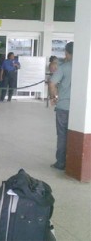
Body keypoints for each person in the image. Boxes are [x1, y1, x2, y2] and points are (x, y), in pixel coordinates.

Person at [48, 42, 74, 171]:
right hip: (81, 109)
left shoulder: (64, 67)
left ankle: (61, 163)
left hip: (64, 106)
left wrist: (54, 97)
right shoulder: (87, 66)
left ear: (67, 53)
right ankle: (74, 162)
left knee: (62, 134)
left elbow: (52, 83)